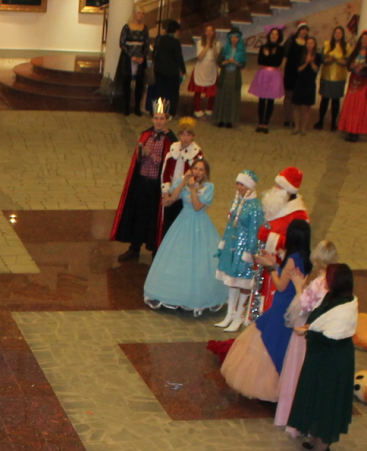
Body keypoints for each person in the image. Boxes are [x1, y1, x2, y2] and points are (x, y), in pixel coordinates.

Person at [220, 220, 313, 402]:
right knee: (281, 341)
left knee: (269, 338)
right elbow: (289, 276)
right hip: (290, 303)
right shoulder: (305, 258)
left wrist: (269, 268)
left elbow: (280, 285)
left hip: (281, 305)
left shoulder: (292, 258)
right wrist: (274, 263)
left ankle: (270, 385)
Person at [287, 264, 358, 451]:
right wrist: (310, 328)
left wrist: (308, 332)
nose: (324, 278)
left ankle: (322, 445)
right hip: (321, 359)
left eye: (328, 276)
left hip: (333, 363)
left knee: (327, 402)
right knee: (316, 397)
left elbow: (331, 338)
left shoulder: (345, 308)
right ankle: (317, 438)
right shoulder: (332, 297)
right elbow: (319, 321)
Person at [142, 156, 226, 316]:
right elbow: (172, 198)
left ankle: (197, 296)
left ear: (206, 173)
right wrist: (183, 181)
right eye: (195, 168)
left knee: (199, 260)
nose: (197, 172)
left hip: (200, 224)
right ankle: (175, 293)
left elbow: (197, 207)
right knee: (178, 257)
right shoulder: (186, 182)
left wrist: (193, 189)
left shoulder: (209, 187)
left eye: (201, 170)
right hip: (183, 222)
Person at [274, 240, 340, 432]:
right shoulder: (334, 280)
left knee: (296, 370)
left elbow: (303, 306)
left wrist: (298, 286)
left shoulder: (318, 282)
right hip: (323, 331)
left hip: (305, 329)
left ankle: (291, 416)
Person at [109, 102, 175, 259]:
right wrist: (140, 154)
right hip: (141, 182)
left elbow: (168, 163)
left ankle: (155, 250)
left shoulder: (170, 140)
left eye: (162, 118)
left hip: (157, 186)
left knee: (155, 217)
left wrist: (150, 154)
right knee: (138, 215)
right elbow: (137, 159)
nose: (158, 121)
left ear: (167, 120)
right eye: (156, 118)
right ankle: (134, 248)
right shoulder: (146, 135)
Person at [215, 171, 264, 330]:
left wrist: (250, 252)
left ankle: (239, 316)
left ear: (250, 186)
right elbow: (230, 224)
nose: (239, 187)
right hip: (232, 246)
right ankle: (230, 313)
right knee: (232, 280)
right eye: (238, 183)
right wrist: (224, 242)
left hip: (244, 249)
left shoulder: (256, 207)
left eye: (242, 184)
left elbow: (255, 231)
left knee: (243, 281)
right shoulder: (236, 201)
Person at [339, 31, 367, 141]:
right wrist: (352, 66)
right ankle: (349, 129)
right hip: (353, 83)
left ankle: (356, 131)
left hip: (364, 84)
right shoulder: (356, 51)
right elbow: (348, 65)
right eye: (362, 38)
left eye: (366, 39)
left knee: (360, 107)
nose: (364, 41)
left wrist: (362, 68)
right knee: (351, 106)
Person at [249, 27, 286, 133]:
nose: (273, 36)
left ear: (279, 37)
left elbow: (277, 62)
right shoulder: (263, 47)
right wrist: (268, 56)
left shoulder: (280, 49)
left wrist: (268, 56)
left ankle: (266, 124)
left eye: (276, 34)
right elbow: (260, 61)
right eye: (272, 34)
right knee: (261, 99)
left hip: (274, 74)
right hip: (263, 73)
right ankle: (260, 123)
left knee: (270, 100)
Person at [316, 25, 350, 130]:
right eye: (336, 32)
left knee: (336, 100)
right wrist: (329, 60)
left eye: (340, 33)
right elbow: (321, 58)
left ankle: (333, 123)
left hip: (339, 77)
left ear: (343, 35)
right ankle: (320, 121)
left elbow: (348, 62)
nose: (337, 34)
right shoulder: (327, 44)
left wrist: (338, 60)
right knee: (324, 99)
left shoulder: (347, 46)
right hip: (327, 75)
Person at [212, 28, 245, 129]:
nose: (234, 39)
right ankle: (220, 119)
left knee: (233, 98)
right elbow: (219, 62)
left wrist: (235, 62)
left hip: (235, 76)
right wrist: (227, 61)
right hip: (225, 75)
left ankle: (230, 120)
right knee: (222, 97)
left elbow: (243, 65)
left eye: (236, 37)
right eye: (232, 37)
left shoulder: (241, 50)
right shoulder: (225, 48)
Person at [150, 20, 185, 117]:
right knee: (174, 93)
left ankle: (160, 111)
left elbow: (154, 53)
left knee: (160, 92)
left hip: (159, 70)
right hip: (172, 72)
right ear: (176, 31)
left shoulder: (160, 39)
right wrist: (183, 69)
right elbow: (179, 57)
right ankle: (172, 112)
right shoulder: (175, 42)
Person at [281, 22, 311, 128]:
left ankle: (295, 119)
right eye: (302, 29)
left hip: (302, 72)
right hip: (290, 71)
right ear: (299, 30)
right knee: (288, 95)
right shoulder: (291, 41)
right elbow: (285, 56)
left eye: (306, 30)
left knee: (297, 96)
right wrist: (282, 69)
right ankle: (287, 118)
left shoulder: (308, 43)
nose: (304, 31)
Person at [188, 24, 220, 117]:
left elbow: (217, 57)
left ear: (214, 32)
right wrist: (207, 46)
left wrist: (213, 46)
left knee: (212, 91)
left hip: (211, 69)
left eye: (211, 31)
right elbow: (200, 56)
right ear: (204, 32)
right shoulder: (199, 42)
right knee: (198, 90)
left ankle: (209, 109)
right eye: (207, 31)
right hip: (201, 68)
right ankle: (198, 109)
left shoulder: (217, 44)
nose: (209, 33)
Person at [290, 35, 319, 136]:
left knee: (307, 107)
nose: (310, 45)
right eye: (308, 43)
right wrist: (306, 63)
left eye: (312, 43)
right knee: (296, 105)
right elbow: (298, 69)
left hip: (310, 82)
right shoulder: (300, 55)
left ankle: (304, 127)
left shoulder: (318, 56)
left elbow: (316, 69)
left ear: (314, 45)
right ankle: (297, 126)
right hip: (300, 81)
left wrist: (311, 62)